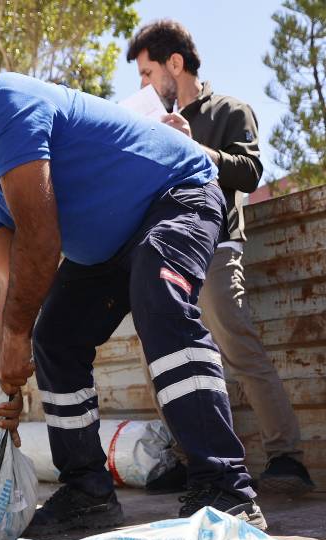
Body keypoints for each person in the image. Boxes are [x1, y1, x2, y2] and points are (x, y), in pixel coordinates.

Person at [0, 44, 265, 535]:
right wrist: (1, 382)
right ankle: (87, 492)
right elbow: (16, 281)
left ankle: (225, 489)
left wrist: (15, 340)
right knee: (53, 337)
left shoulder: (0, 102)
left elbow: (40, 238)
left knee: (159, 295)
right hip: (106, 249)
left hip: (175, 194)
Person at [125, 20, 313, 495]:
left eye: (147, 73)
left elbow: (249, 172)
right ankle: (193, 460)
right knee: (162, 353)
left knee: (237, 344)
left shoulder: (230, 110)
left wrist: (191, 146)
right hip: (168, 255)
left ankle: (287, 458)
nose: (144, 85)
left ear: (174, 63)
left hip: (217, 246)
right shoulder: (153, 122)